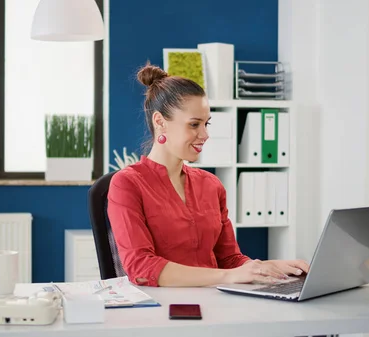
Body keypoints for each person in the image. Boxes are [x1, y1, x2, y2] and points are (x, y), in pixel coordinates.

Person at [107, 63, 309, 287]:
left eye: (206, 124)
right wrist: (228, 276)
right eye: (194, 124)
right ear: (160, 122)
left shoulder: (211, 185)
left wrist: (264, 267)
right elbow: (142, 269)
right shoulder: (126, 184)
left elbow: (229, 259)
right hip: (162, 310)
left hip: (214, 303)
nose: (205, 135)